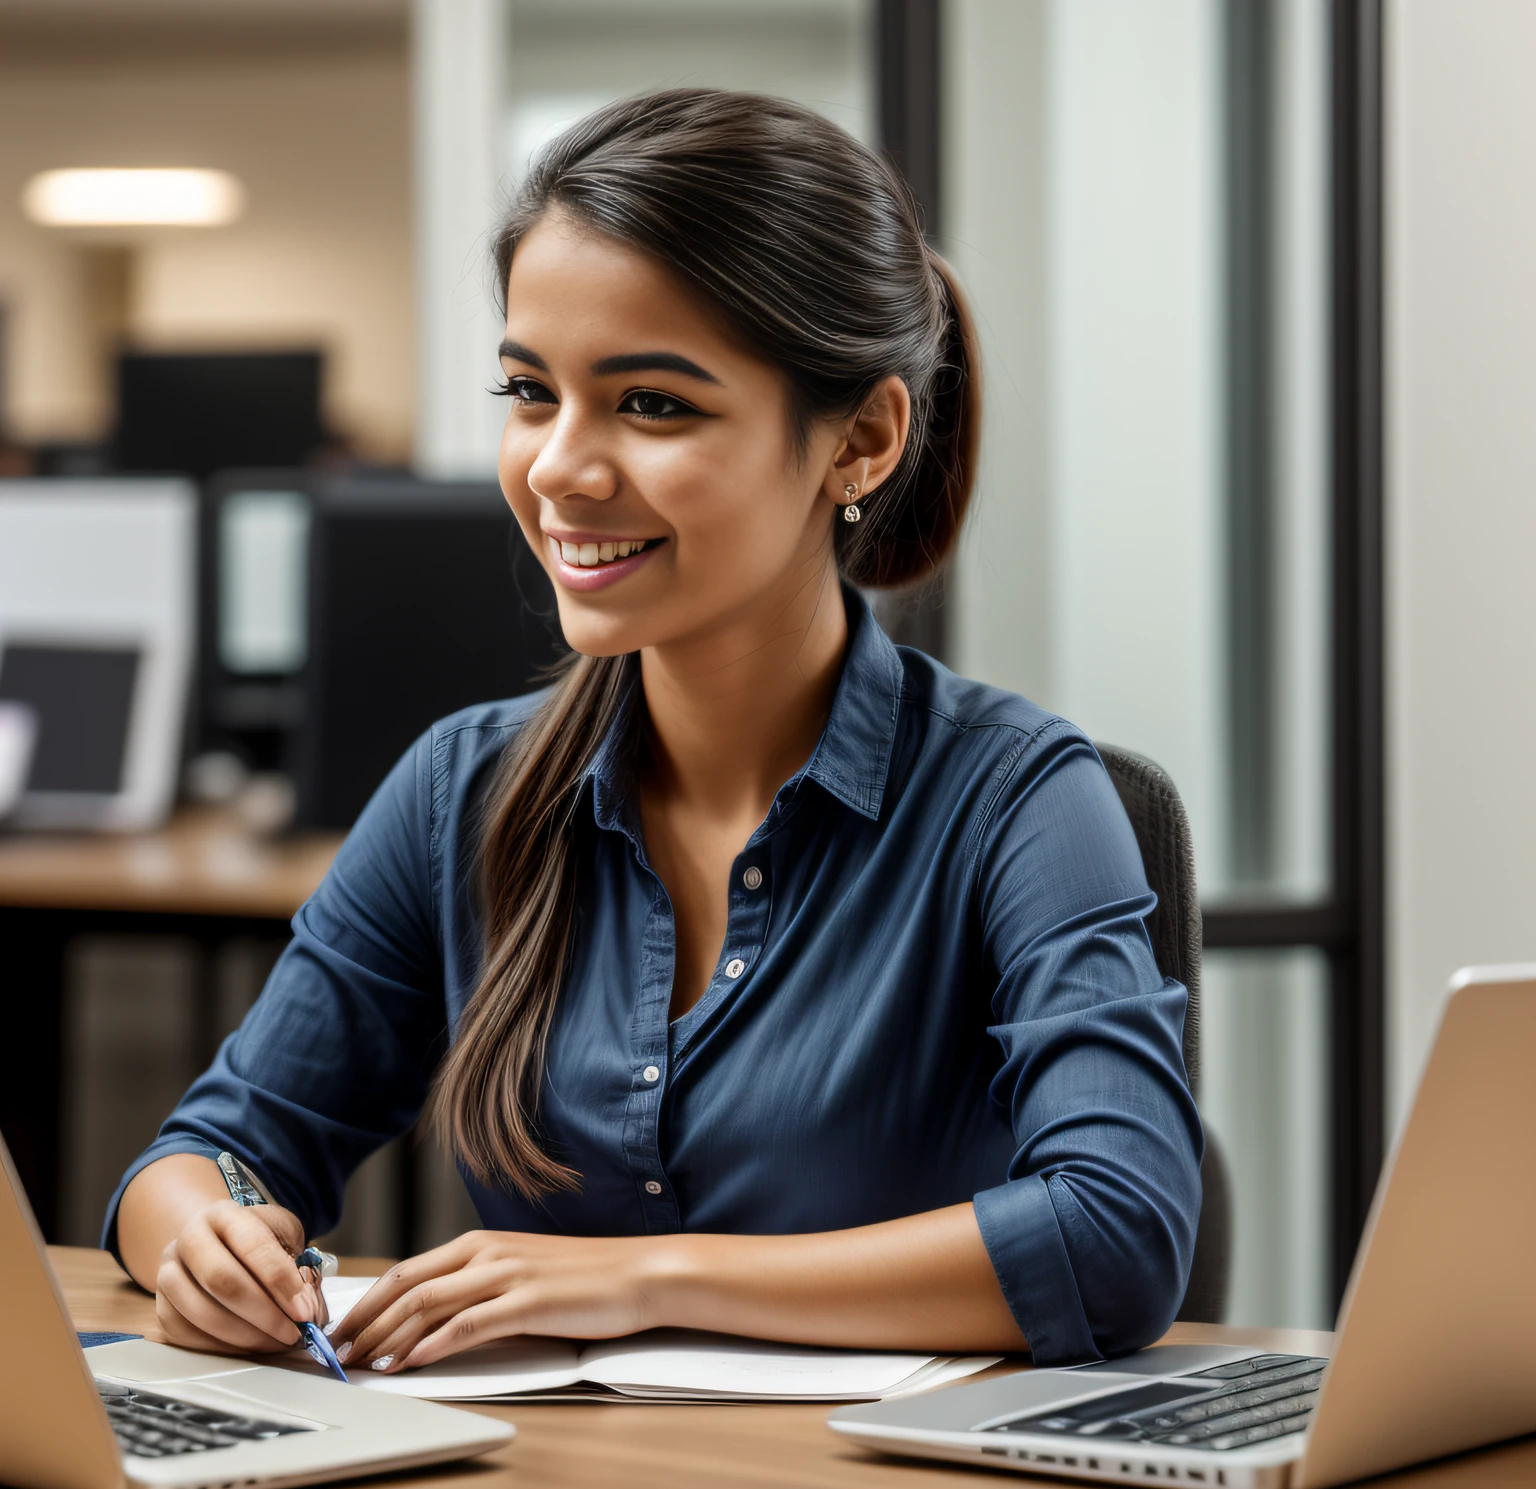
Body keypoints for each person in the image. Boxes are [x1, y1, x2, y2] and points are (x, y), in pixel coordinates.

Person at [110, 89, 1202, 1375]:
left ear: (861, 440)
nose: (560, 467)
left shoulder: (1023, 801)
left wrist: (633, 1279)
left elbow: (1118, 1233)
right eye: (531, 391)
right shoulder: (465, 788)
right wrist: (206, 1237)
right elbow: (212, 1150)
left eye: (653, 405)